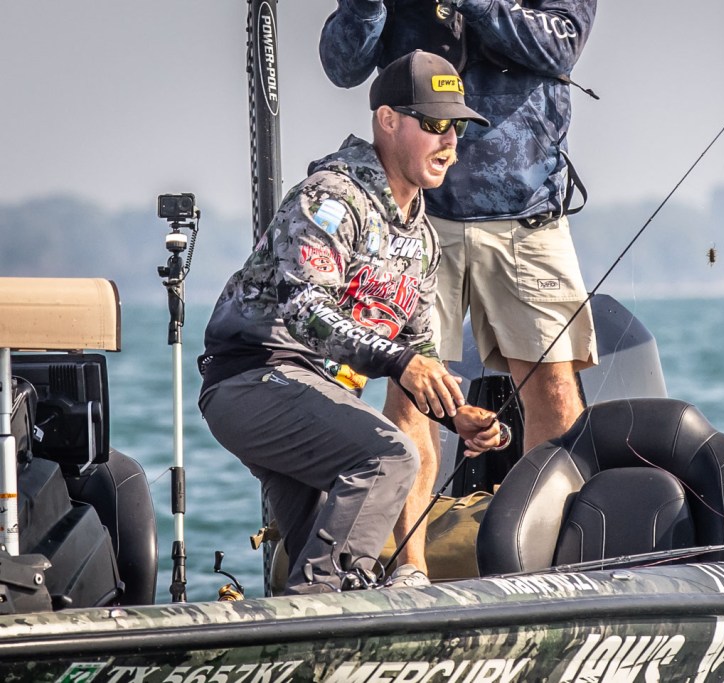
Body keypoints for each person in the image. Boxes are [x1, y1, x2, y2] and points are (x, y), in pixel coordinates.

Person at [197, 50, 498, 593]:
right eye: (435, 124)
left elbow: (419, 351)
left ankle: (311, 623)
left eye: (457, 127)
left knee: (322, 557)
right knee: (389, 456)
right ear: (388, 120)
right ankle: (328, 607)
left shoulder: (423, 241)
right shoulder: (331, 199)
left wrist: (457, 414)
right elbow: (304, 308)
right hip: (254, 380)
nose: (450, 142)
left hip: (316, 400)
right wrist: (400, 362)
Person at [319, 0, 600, 577]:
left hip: (528, 212)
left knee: (553, 388)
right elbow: (342, 64)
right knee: (411, 390)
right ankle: (410, 572)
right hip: (418, 212)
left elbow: (559, 44)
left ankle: (551, 571)